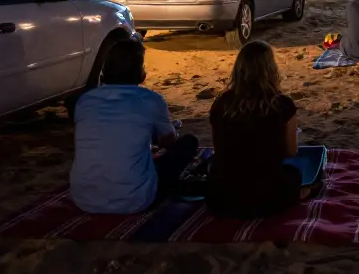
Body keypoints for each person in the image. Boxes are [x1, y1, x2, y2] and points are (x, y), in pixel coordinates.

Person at [70, 39, 199, 214]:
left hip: (84, 199)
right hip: (135, 199)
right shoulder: (151, 100)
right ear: (139, 72)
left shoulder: (85, 101)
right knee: (188, 144)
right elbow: (169, 143)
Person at [207, 40, 317, 218]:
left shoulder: (221, 104)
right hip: (266, 196)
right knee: (292, 175)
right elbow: (291, 151)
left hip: (222, 198)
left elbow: (218, 150)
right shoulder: (283, 104)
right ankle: (298, 195)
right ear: (270, 69)